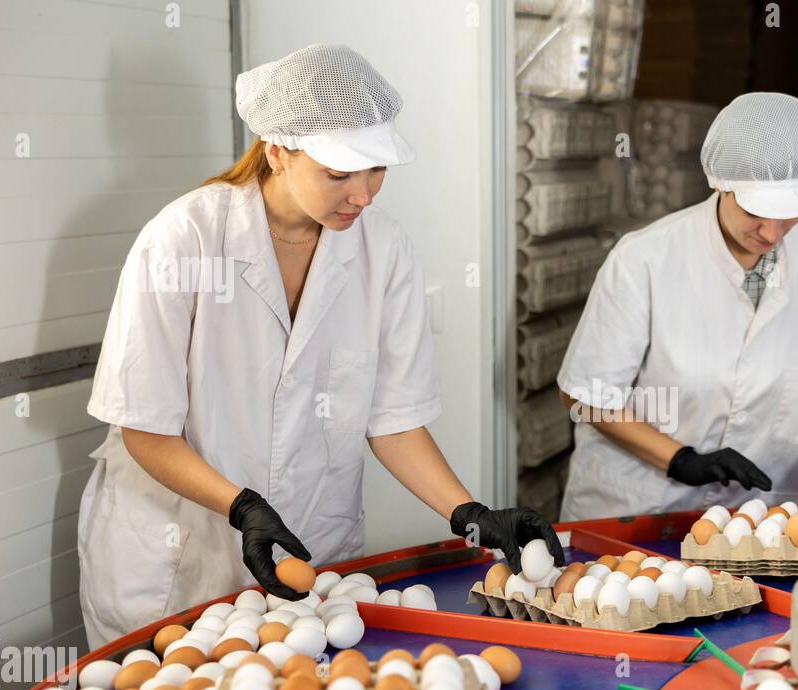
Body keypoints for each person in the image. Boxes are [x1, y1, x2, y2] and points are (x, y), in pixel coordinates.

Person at [78, 45, 561, 647]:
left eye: (377, 169)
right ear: (278, 151)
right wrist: (242, 507)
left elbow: (393, 421)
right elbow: (144, 428)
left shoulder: (383, 253)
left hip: (307, 555)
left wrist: (470, 514)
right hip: (177, 558)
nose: (363, 195)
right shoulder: (184, 241)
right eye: (339, 174)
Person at [556, 92, 798, 520]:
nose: (772, 233)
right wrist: (681, 459)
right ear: (721, 182)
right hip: (639, 511)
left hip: (759, 520)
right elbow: (583, 397)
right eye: (757, 211)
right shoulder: (644, 259)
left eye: (789, 214)